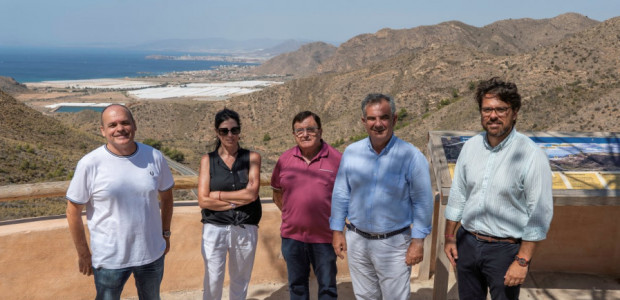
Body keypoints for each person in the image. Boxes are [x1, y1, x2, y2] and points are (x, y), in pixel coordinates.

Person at [443, 77, 553, 300]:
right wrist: (449, 237)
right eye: (487, 110)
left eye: (501, 109)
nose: (493, 116)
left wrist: (522, 261)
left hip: (505, 251)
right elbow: (458, 195)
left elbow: (539, 214)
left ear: (515, 112)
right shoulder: (470, 148)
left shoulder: (531, 155)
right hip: (467, 242)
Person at [330, 93, 433, 299]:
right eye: (372, 118)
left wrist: (418, 241)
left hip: (394, 243)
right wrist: (337, 231)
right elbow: (341, 193)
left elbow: (422, 201)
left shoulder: (411, 156)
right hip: (357, 239)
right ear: (363, 121)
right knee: (365, 296)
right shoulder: (351, 153)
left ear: (394, 119)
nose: (378, 124)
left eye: (384, 117)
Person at [66, 104, 174, 300]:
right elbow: (73, 211)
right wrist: (83, 253)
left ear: (134, 125)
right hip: (109, 260)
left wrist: (165, 233)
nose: (120, 129)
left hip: (151, 254)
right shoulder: (90, 164)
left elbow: (167, 197)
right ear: (103, 131)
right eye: (112, 125)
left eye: (125, 122)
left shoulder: (154, 157)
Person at [271, 111, 342, 300]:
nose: (305, 134)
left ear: (320, 131)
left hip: (325, 237)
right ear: (294, 134)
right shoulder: (284, 160)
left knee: (327, 288)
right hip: (292, 237)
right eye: (299, 130)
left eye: (310, 129)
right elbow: (277, 192)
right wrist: (291, 213)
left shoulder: (337, 159)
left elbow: (345, 196)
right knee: (297, 287)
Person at [197, 108, 262, 300]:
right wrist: (235, 202)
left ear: (240, 131)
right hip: (214, 228)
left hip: (244, 227)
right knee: (213, 279)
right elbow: (203, 200)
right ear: (217, 132)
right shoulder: (207, 160)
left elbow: (252, 194)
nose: (230, 135)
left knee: (240, 280)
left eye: (234, 130)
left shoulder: (252, 158)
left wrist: (217, 195)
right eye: (224, 131)